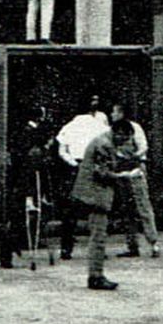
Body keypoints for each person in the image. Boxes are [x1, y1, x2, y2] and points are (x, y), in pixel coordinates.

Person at [70, 118, 143, 291]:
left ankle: (96, 274)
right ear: (117, 133)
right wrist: (127, 175)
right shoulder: (104, 145)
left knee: (98, 235)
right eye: (124, 139)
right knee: (99, 236)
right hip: (96, 195)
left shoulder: (103, 141)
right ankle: (96, 276)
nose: (124, 143)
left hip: (93, 193)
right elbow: (103, 173)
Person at [0, 105, 55, 269]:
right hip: (28, 180)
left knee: (19, 217)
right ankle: (10, 249)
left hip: (24, 179)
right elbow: (31, 156)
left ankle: (11, 249)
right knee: (20, 217)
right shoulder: (32, 134)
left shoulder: (25, 132)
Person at [54, 96, 109, 258]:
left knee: (71, 210)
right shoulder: (101, 127)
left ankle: (66, 248)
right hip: (93, 167)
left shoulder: (69, 127)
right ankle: (97, 249)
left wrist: (73, 163)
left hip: (77, 167)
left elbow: (62, 150)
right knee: (97, 208)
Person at [110, 100, 161, 259]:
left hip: (134, 170)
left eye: (114, 112)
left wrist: (132, 157)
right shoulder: (111, 131)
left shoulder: (134, 128)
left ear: (121, 113)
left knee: (143, 207)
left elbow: (143, 147)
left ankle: (154, 244)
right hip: (121, 172)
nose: (112, 115)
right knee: (127, 210)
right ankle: (132, 245)